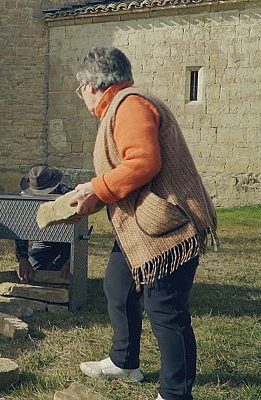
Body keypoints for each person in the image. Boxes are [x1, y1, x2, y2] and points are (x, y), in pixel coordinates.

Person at [69, 47, 218, 400]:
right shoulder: (122, 106)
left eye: (80, 90)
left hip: (168, 229)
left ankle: (175, 392)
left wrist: (98, 189)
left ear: (91, 84)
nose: (82, 98)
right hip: (139, 229)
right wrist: (92, 190)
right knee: (118, 288)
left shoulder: (130, 104)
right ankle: (125, 362)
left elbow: (143, 162)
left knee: (165, 309)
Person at [16, 164, 74, 281]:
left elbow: (79, 231)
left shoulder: (69, 195)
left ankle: (61, 265)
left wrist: (72, 260)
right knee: (31, 274)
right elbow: (21, 227)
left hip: (68, 241)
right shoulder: (26, 198)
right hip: (44, 239)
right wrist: (23, 259)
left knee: (70, 276)